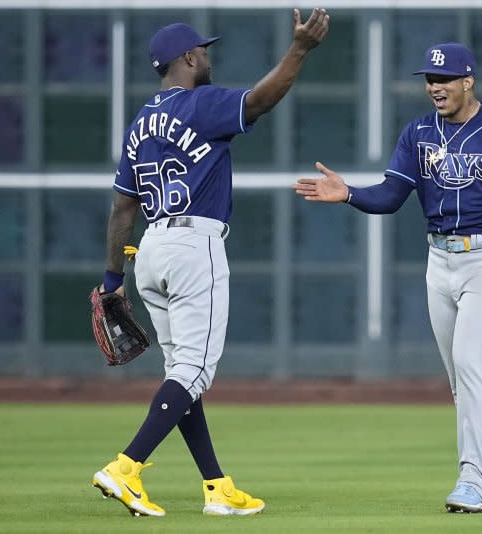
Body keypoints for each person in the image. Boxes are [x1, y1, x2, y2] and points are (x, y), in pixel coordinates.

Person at [293, 42, 482, 513]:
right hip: (441, 261)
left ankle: (471, 480)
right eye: (430, 80)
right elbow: (392, 195)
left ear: (468, 81)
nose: (435, 87)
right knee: (463, 379)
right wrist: (348, 192)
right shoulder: (418, 134)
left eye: (445, 79)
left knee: (472, 363)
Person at [92, 9, 329, 517]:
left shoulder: (140, 123)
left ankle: (216, 487)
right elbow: (261, 101)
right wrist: (300, 50)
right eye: (204, 51)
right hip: (193, 246)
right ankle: (125, 467)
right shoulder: (200, 103)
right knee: (195, 371)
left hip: (151, 251)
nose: (209, 58)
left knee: (183, 371)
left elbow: (121, 207)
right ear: (189, 58)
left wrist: (114, 280)